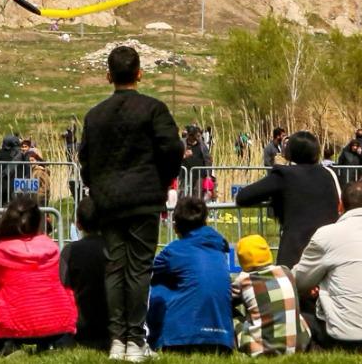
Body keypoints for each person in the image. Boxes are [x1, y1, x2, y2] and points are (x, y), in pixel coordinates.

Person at [79, 45, 184, 364]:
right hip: (143, 199)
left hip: (109, 201)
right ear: (140, 73)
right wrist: (163, 181)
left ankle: (116, 341)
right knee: (139, 269)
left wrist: (98, 187)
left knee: (115, 267)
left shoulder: (94, 115)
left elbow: (85, 159)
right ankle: (136, 340)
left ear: (108, 75)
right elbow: (172, 148)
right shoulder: (154, 109)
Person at [289, 181, 362, 350]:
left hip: (345, 337)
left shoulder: (326, 235)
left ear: (340, 205)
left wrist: (318, 283)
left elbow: (299, 281)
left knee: (297, 317)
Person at [0, 197, 80, 354]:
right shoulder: (51, 246)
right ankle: (49, 344)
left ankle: (6, 345)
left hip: (17, 324)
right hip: (58, 321)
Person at [237, 134, 346, 273]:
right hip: (330, 248)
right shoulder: (330, 173)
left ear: (290, 152)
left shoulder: (284, 175)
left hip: (297, 251)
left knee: (291, 290)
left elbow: (244, 197)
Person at [147, 194, 236, 353]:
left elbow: (146, 269)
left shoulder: (173, 251)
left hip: (182, 340)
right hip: (223, 340)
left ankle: (155, 337)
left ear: (176, 225)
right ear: (205, 221)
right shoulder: (219, 249)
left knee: (159, 280)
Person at [231, 234, 303, 357]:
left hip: (263, 351)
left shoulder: (244, 280)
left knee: (229, 315)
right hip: (297, 347)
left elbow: (224, 299)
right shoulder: (285, 271)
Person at [60, 198, 111, 354]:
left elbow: (62, 286)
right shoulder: (115, 249)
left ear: (78, 224)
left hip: (80, 326)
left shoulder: (69, 251)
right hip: (113, 326)